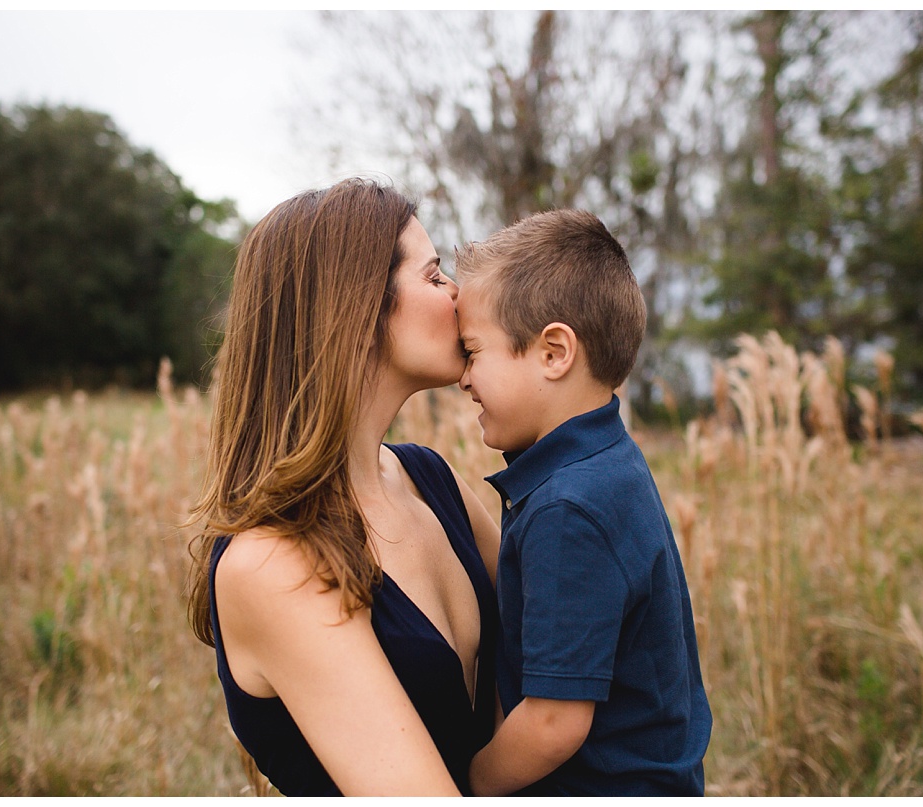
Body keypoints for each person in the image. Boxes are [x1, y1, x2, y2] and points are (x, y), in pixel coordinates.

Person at [185, 178, 501, 796]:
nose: (458, 295)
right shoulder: (272, 564)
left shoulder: (431, 480)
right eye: (434, 276)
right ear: (356, 309)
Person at [454, 209, 712, 796]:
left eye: (473, 351)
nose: (463, 378)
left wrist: (466, 787)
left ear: (553, 352)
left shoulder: (568, 508)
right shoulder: (605, 462)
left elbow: (552, 724)